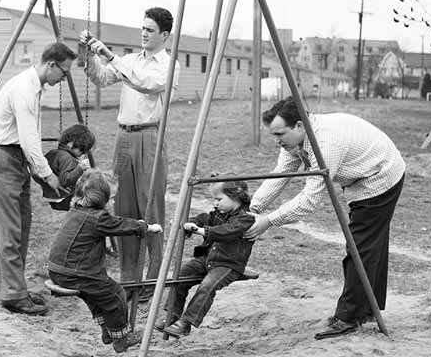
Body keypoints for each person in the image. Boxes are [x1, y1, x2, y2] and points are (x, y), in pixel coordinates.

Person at [245, 97, 405, 339]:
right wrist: (254, 208)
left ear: (299, 125)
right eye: (273, 135)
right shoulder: (295, 142)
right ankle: (368, 308)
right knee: (371, 245)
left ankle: (349, 317)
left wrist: (268, 221)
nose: (277, 140)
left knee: (360, 247)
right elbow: (281, 174)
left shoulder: (325, 142)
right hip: (362, 176)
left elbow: (309, 200)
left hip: (380, 177)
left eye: (280, 133)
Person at [79, 7, 178, 300]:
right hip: (124, 136)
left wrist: (110, 56)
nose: (144, 33)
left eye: (150, 29)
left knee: (150, 208)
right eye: (142, 28)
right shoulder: (131, 60)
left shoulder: (167, 65)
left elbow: (146, 84)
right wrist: (89, 54)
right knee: (123, 210)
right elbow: (102, 78)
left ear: (164, 35)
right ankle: (129, 280)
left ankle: (153, 281)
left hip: (150, 136)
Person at [0, 42, 75, 316]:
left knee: (21, 227)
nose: (64, 79)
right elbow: (30, 139)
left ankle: (15, 287)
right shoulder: (24, 88)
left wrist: (36, 169)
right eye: (64, 73)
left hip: (14, 158)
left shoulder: (35, 88)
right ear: (51, 65)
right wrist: (49, 176)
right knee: (9, 230)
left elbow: (30, 137)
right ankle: (13, 295)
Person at [47, 170, 163, 353]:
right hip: (77, 273)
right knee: (115, 294)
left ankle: (107, 331)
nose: (114, 202)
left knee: (96, 297)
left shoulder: (76, 210)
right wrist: (145, 226)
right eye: (112, 198)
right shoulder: (98, 218)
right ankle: (122, 338)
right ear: (100, 200)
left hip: (59, 270)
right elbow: (120, 225)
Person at [162, 180, 255, 338]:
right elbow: (205, 218)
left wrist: (200, 231)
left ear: (235, 197)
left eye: (219, 199)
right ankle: (173, 314)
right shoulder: (220, 212)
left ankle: (185, 323)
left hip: (228, 264)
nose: (216, 203)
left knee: (207, 286)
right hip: (209, 258)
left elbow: (226, 231)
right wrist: (190, 221)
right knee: (181, 276)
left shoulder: (246, 218)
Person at [32, 123, 95, 211]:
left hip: (50, 196)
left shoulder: (52, 152)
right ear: (71, 144)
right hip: (64, 198)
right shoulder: (68, 159)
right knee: (92, 198)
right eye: (83, 150)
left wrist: (45, 185)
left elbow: (37, 172)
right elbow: (65, 180)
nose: (83, 154)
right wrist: (80, 168)